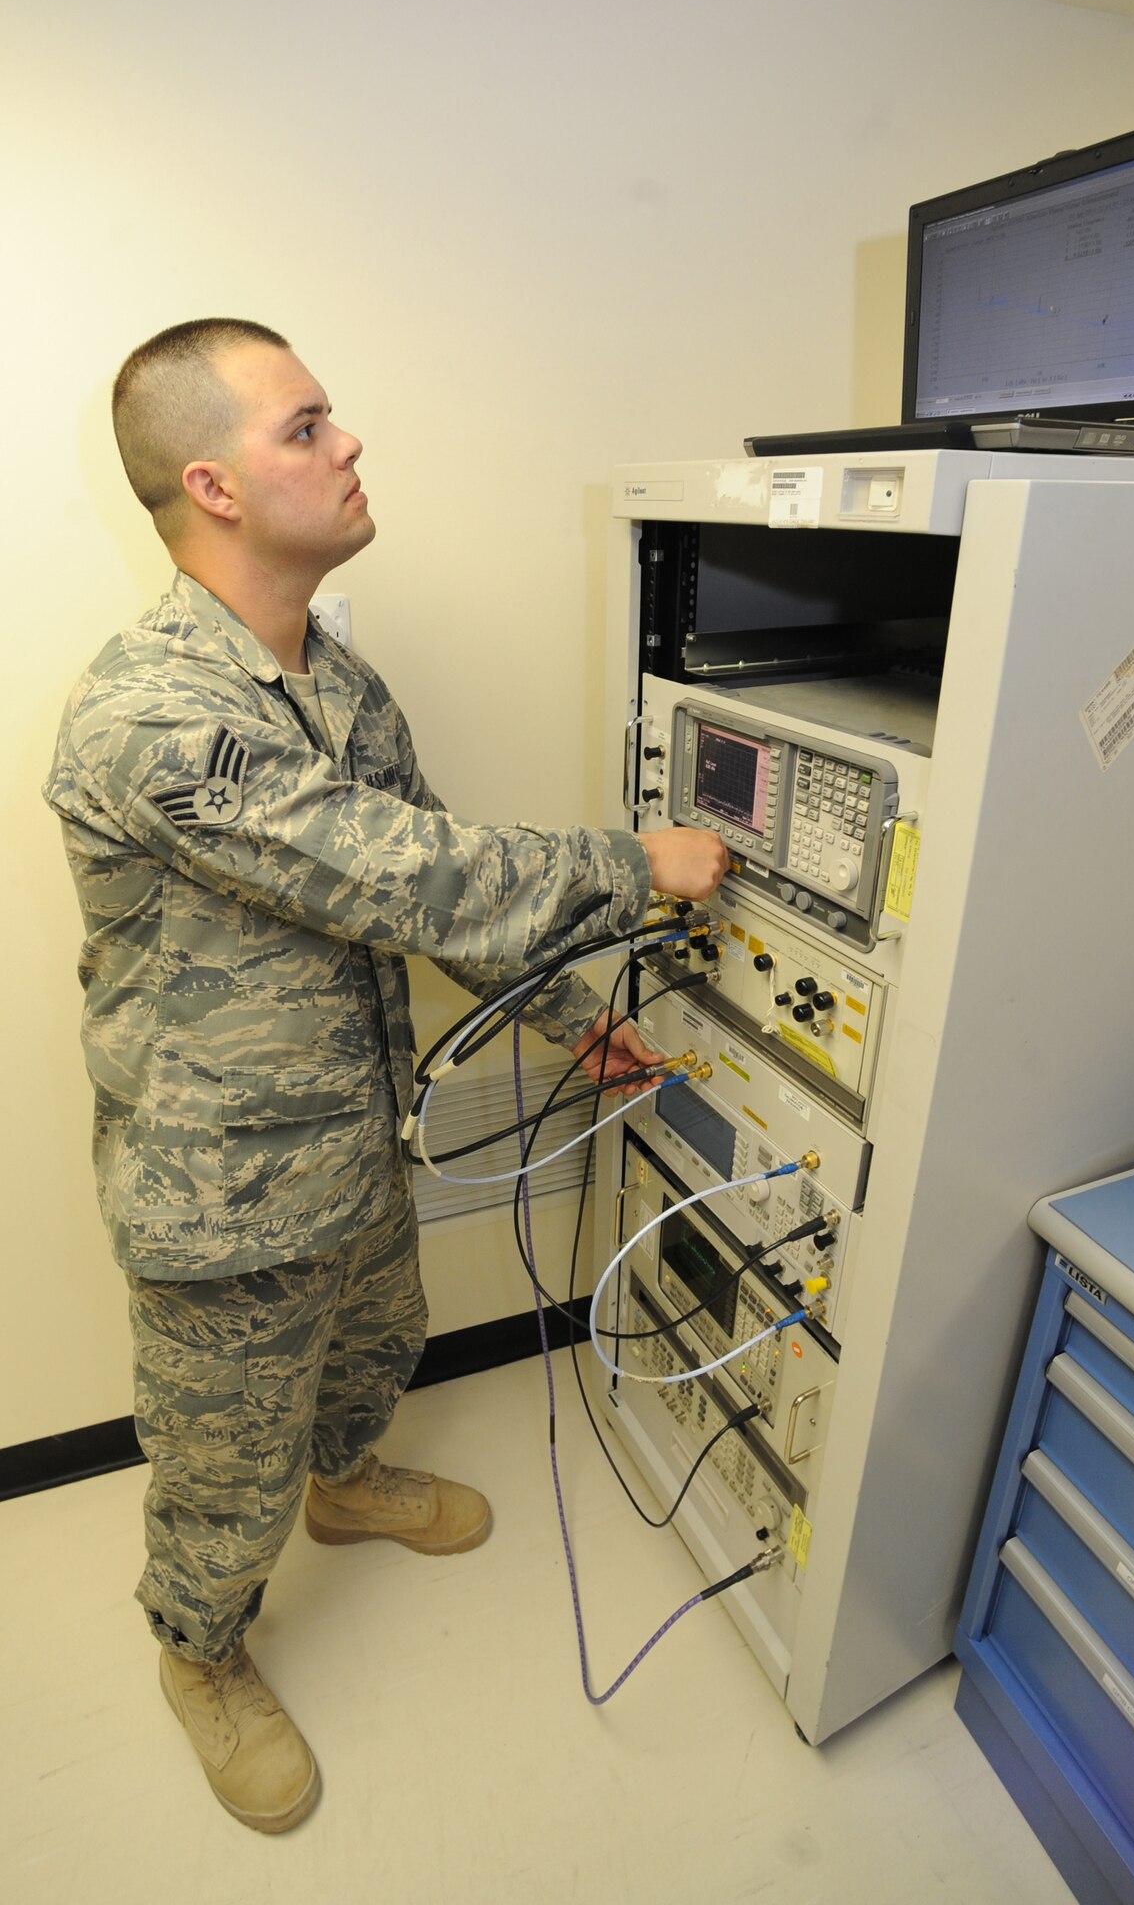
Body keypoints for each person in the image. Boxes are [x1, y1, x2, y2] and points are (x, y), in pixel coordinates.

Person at [44, 318, 727, 1834]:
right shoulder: (158, 712)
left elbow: (416, 896)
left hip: (358, 1136)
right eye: (309, 427)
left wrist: (558, 1022)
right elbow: (411, 871)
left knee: (371, 1352)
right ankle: (201, 1650)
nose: (348, 445)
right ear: (213, 486)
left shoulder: (334, 682)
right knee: (221, 1460)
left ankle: (347, 1485)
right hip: (221, 1194)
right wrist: (636, 869)